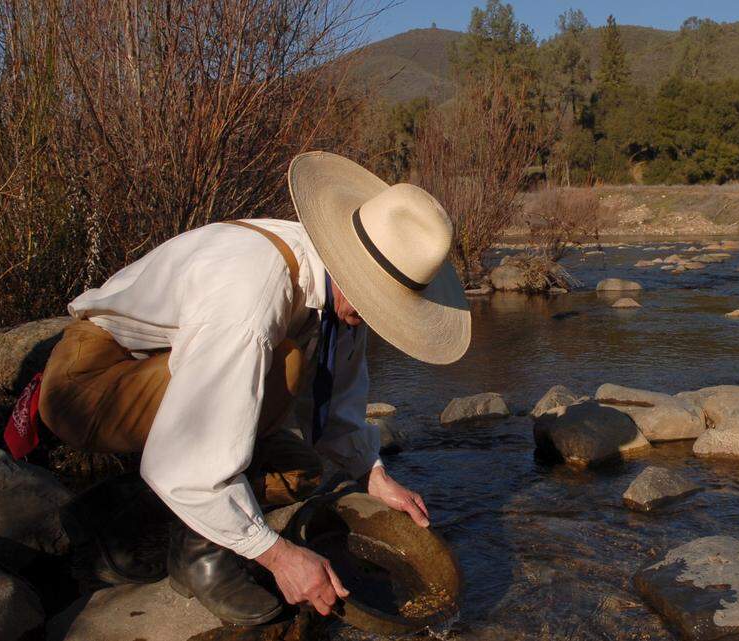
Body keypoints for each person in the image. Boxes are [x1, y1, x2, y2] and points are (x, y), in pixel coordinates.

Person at [36, 152, 471, 625]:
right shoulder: (252, 299)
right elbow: (186, 454)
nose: (376, 316)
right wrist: (278, 556)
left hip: (162, 372)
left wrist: (373, 473)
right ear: (354, 270)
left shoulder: (337, 287)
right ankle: (197, 559)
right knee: (283, 366)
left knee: (300, 470)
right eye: (380, 301)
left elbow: (334, 406)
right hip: (91, 382)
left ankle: (112, 509)